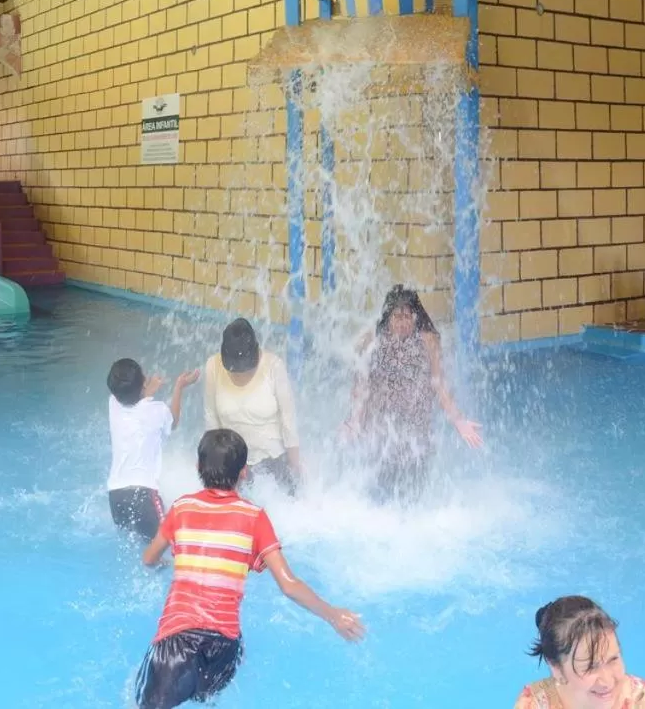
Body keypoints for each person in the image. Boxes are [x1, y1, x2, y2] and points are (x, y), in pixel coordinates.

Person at [135, 429, 364, 709]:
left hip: (178, 639)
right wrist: (333, 615)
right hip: (225, 649)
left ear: (198, 467)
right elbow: (289, 584)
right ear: (244, 472)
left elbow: (149, 557)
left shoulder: (181, 508)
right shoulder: (255, 517)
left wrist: (162, 563)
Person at [341, 285, 483, 501]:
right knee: (380, 496)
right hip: (382, 431)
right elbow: (361, 385)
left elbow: (438, 385)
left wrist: (459, 421)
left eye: (408, 316)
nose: (402, 322)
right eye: (397, 316)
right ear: (387, 317)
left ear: (416, 317)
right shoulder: (372, 340)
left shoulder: (427, 340)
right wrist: (353, 422)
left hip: (415, 433)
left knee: (414, 497)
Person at [515, 595, 645, 709]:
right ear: (556, 668)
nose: (607, 681)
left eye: (613, 659)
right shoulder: (537, 702)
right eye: (590, 667)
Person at [203, 318, 301, 493]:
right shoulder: (213, 366)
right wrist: (211, 463)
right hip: (233, 464)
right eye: (235, 370)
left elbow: (288, 420)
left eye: (245, 369)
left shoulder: (274, 367)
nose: (240, 374)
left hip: (272, 459)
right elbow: (211, 417)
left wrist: (296, 466)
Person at [106, 358, 200, 541]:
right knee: (164, 547)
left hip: (115, 497)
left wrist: (146, 392)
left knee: (136, 544)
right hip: (144, 497)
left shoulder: (113, 405)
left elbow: (135, 406)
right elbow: (173, 421)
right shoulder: (158, 410)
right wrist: (179, 386)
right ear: (143, 383)